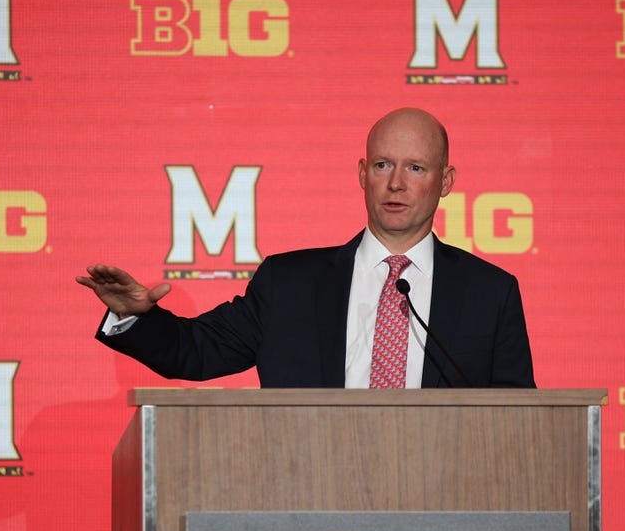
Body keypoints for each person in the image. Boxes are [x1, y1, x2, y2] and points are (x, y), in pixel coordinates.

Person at [76, 107, 535, 388]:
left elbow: (522, 419)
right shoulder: (288, 283)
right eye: (382, 164)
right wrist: (132, 314)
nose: (396, 183)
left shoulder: (490, 293)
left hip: (445, 501)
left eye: (416, 167)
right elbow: (196, 352)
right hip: (312, 490)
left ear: (446, 182)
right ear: (361, 174)